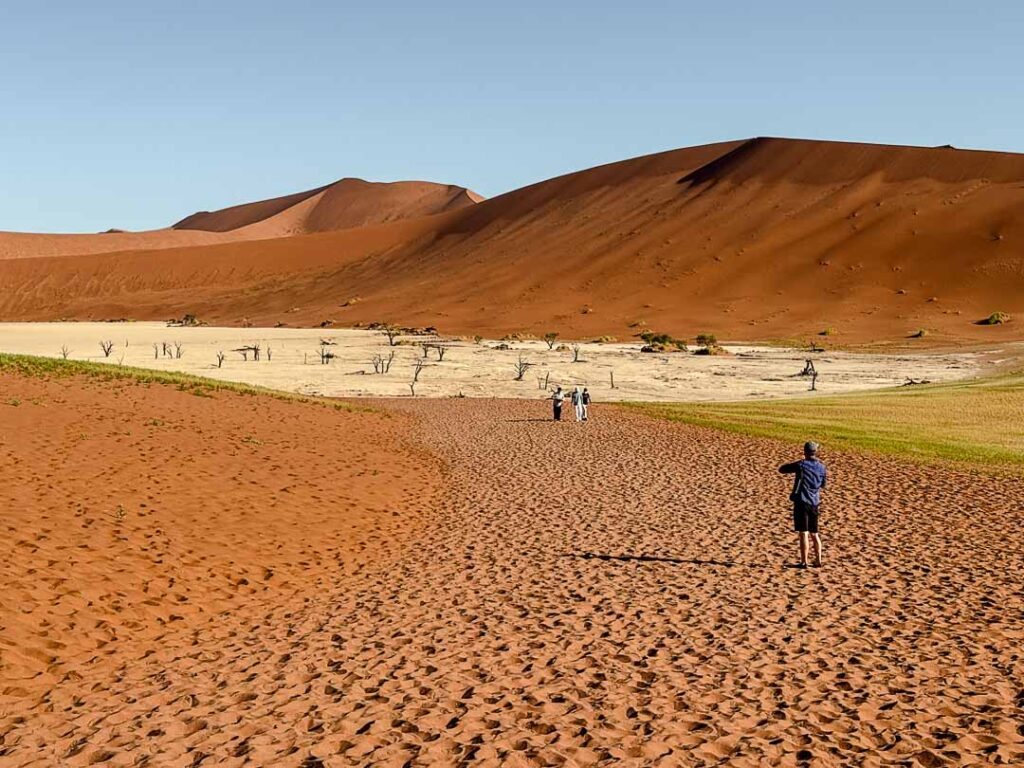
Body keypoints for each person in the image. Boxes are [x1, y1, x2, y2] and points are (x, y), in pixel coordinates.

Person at [779, 441, 827, 568]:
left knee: (803, 532)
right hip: (815, 503)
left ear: (805, 452)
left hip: (801, 502)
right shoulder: (822, 467)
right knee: (815, 533)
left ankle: (804, 561)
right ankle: (818, 560)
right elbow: (823, 485)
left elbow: (782, 469)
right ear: (815, 452)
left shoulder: (801, 465)